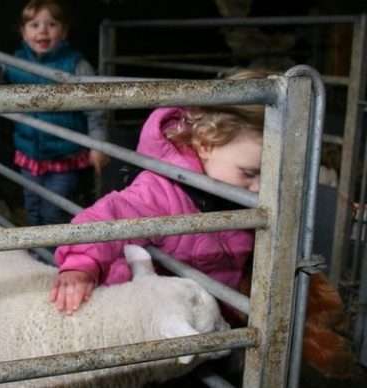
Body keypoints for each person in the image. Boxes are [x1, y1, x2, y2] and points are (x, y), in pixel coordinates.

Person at [50, 69, 270, 315]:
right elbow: (107, 217)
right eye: (249, 173)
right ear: (207, 145)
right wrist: (81, 265)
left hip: (213, 313)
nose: (260, 188)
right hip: (158, 314)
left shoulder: (237, 189)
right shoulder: (162, 189)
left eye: (272, 174)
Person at [0, 0, 110, 228]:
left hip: (63, 157)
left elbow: (96, 107)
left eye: (52, 24)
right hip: (29, 153)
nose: (43, 31)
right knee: (32, 208)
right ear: (23, 32)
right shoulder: (16, 62)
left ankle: (54, 249)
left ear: (64, 31)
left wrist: (98, 144)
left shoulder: (76, 66)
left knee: (53, 211)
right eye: (34, 25)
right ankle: (38, 248)